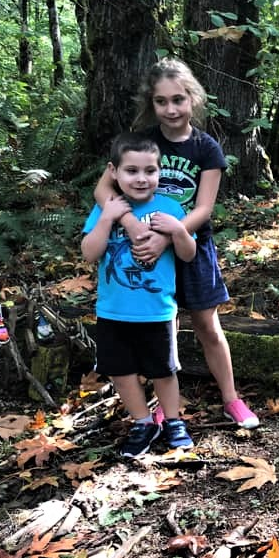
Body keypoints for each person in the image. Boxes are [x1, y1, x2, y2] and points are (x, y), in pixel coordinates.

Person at [94, 58, 259, 428]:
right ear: (151, 104)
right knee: (153, 326)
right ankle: (161, 406)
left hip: (189, 244)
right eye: (161, 101)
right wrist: (131, 226)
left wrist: (169, 236)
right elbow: (103, 187)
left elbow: (203, 208)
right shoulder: (142, 142)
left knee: (205, 323)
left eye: (178, 99)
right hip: (142, 251)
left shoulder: (206, 148)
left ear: (193, 99)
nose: (171, 109)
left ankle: (231, 398)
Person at [82, 133, 197, 457]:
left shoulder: (170, 207)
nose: (142, 178)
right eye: (132, 170)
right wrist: (107, 218)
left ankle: (172, 420)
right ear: (114, 172)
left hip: (156, 311)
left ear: (160, 172)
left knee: (163, 370)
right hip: (113, 310)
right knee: (121, 371)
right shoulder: (107, 208)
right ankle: (143, 422)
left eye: (150, 171)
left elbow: (188, 254)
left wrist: (177, 230)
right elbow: (89, 253)